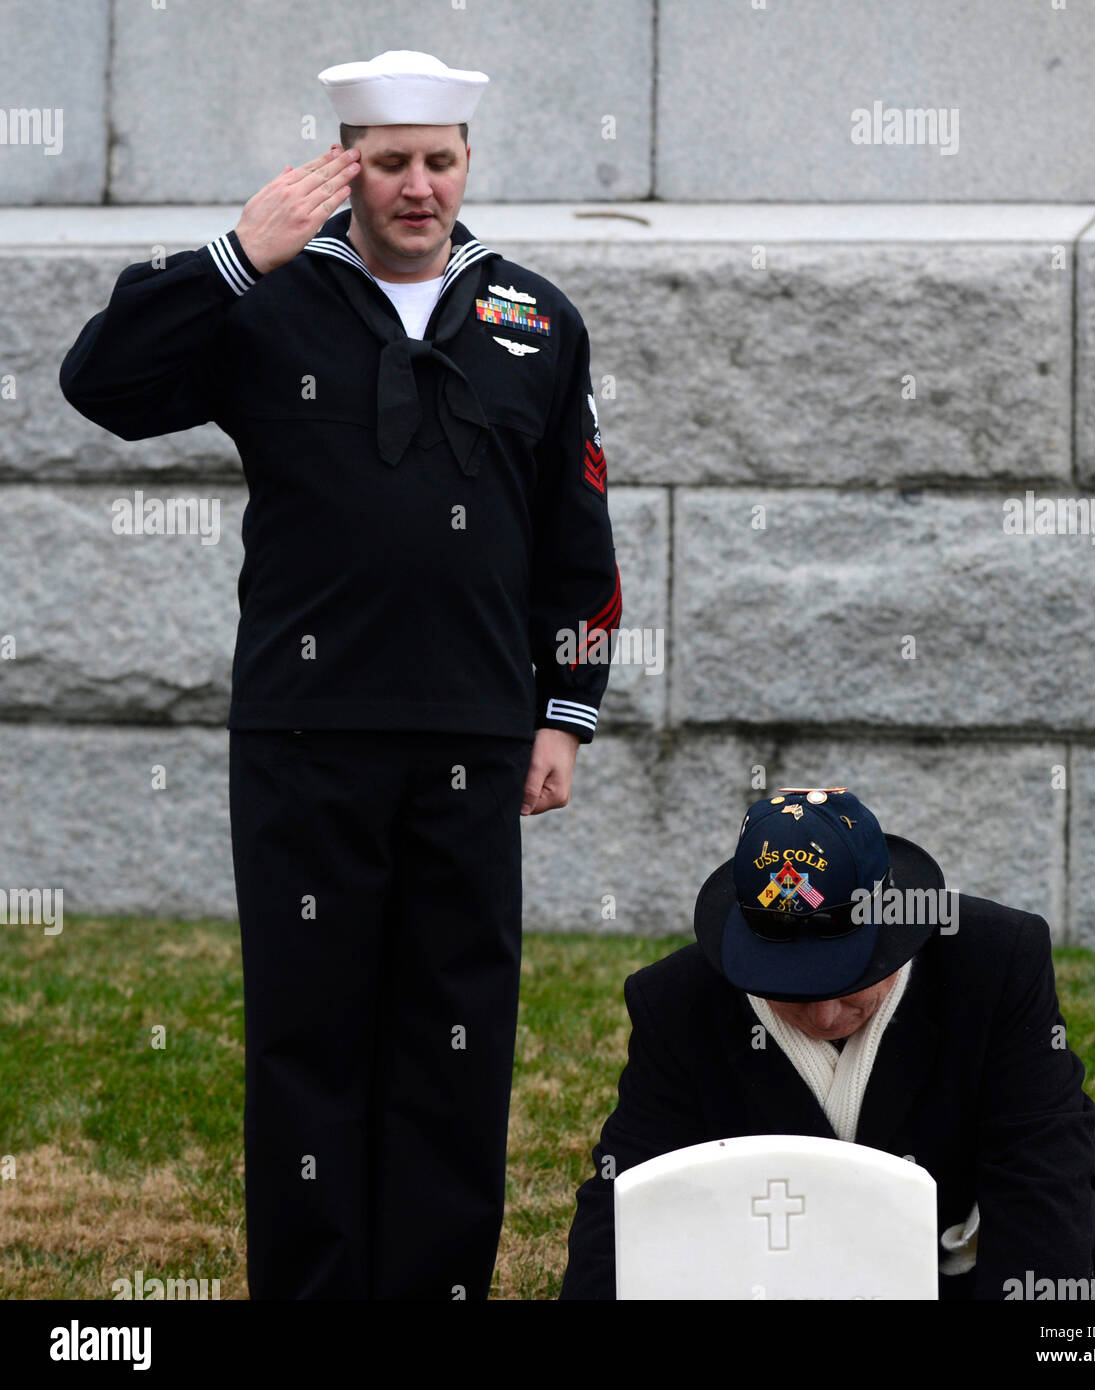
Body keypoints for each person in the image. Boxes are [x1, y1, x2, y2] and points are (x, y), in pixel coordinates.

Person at [60, 48, 621, 1301]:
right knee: (310, 1045)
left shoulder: (534, 319)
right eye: (389, 162)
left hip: (474, 741)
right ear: (344, 165)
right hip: (304, 739)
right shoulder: (264, 302)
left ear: (467, 164)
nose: (417, 187)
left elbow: (579, 546)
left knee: (453, 1045)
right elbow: (100, 386)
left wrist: (565, 717)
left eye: (439, 161)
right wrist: (230, 255)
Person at [560, 788, 1095, 1301]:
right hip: (769, 1276)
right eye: (793, 990)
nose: (826, 1013)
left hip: (966, 1260)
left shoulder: (995, 961)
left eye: (847, 981)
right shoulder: (677, 1000)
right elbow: (626, 1201)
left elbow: (1039, 1165)